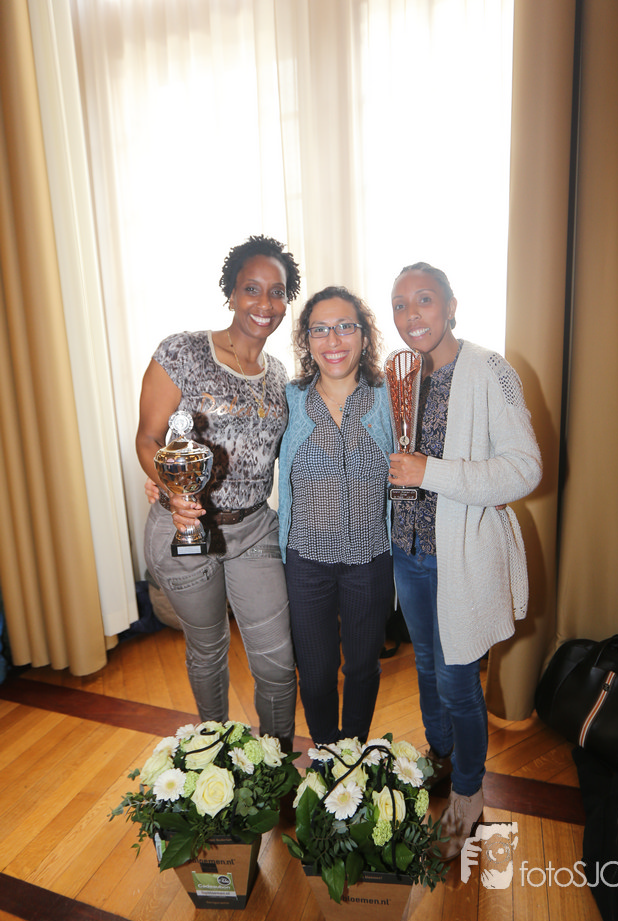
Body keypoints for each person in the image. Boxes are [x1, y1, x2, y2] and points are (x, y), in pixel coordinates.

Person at [388, 262, 542, 860]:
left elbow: (524, 468)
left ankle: (470, 794)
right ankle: (442, 758)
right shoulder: (400, 375)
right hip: (408, 550)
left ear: (451, 306)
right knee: (426, 667)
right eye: (400, 304)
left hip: (460, 557)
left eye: (424, 300)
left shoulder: (489, 370)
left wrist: (432, 472)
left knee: (456, 681)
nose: (411, 315)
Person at [136, 235, 301, 747]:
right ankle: (216, 753)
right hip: (185, 528)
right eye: (252, 288)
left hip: (254, 529)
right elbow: (148, 439)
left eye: (277, 292)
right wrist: (169, 486)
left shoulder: (280, 377)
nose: (264, 303)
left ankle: (275, 758)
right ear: (231, 293)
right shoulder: (182, 352)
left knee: (277, 660)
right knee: (207, 649)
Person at [277, 287, 394, 746]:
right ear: (307, 340)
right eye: (320, 329)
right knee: (316, 669)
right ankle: (327, 751)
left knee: (363, 666)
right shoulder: (289, 399)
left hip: (370, 559)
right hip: (306, 562)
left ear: (364, 336)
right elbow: (245, 450)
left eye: (346, 326)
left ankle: (354, 752)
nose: (333, 340)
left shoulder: (389, 398)